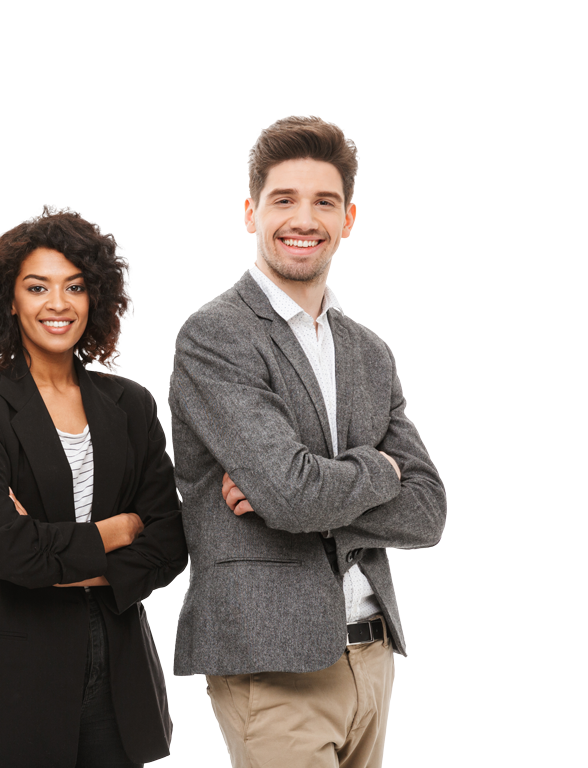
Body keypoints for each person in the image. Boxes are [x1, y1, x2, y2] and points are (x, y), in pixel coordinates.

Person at [169, 114, 447, 767]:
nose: (304, 218)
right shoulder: (217, 336)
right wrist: (378, 470)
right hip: (274, 664)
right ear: (250, 212)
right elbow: (294, 494)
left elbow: (430, 509)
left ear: (348, 219)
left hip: (372, 658)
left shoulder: (369, 353)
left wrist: (311, 495)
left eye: (324, 202)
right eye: (283, 200)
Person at [0, 204, 189, 768]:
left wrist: (57, 552)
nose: (58, 304)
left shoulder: (131, 404)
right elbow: (8, 551)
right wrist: (117, 530)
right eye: (37, 287)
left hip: (119, 677)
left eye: (74, 287)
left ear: (97, 298)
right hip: (14, 680)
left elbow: (168, 544)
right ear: (9, 300)